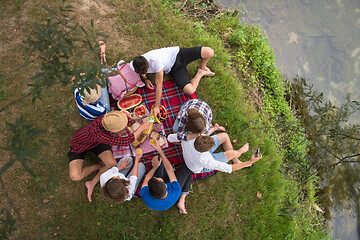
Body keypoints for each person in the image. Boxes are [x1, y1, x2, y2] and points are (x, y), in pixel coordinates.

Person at [67, 110, 151, 202]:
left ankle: (92, 183)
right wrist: (141, 128)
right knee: (75, 176)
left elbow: (115, 115)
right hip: (80, 146)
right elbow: (125, 141)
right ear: (112, 130)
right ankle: (99, 165)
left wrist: (125, 114)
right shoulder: (101, 136)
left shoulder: (106, 120)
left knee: (111, 164)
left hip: (96, 143)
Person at [130, 46, 215, 118]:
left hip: (180, 54)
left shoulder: (156, 62)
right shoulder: (134, 64)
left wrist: (156, 106)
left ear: (148, 63)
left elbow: (159, 86)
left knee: (209, 52)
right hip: (175, 69)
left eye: (146, 70)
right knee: (190, 90)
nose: (146, 72)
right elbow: (141, 72)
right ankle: (200, 73)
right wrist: (145, 79)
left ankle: (202, 66)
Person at [168, 131, 262, 175]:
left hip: (195, 153)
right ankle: (237, 157)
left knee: (224, 136)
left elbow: (170, 138)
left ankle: (236, 161)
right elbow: (229, 169)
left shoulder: (188, 136)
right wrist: (247, 160)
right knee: (233, 153)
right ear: (207, 151)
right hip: (198, 167)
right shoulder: (206, 160)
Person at [139, 139, 193, 214]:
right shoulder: (176, 190)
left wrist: (154, 167)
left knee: (157, 159)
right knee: (188, 168)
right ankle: (183, 197)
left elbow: (147, 179)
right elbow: (169, 169)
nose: (154, 177)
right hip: (173, 192)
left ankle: (182, 199)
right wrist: (160, 151)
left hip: (162, 193)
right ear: (166, 185)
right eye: (156, 179)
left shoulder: (145, 195)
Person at [73, 41, 111, 121]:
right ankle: (102, 54)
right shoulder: (101, 110)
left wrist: (93, 75)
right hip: (95, 115)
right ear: (98, 99)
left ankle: (102, 55)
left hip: (86, 113)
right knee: (102, 76)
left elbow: (75, 79)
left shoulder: (77, 91)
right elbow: (106, 117)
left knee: (98, 75)